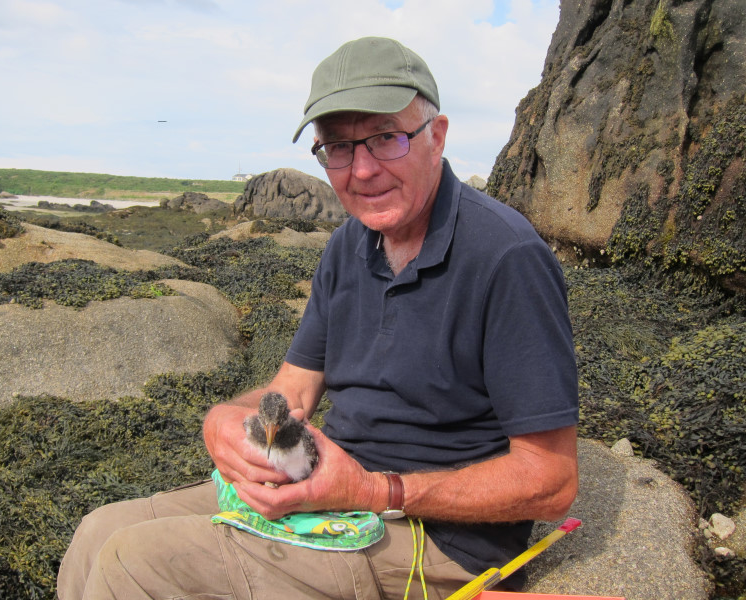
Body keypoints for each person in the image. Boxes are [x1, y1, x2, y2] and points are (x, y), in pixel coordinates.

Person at [57, 36, 579, 600]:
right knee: (97, 531)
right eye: (336, 148)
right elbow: (292, 392)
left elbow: (552, 482)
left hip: (434, 540)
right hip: (326, 491)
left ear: (438, 136)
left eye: (385, 138)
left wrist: (372, 490)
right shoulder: (347, 246)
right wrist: (223, 419)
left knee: (133, 565)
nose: (361, 171)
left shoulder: (507, 258)